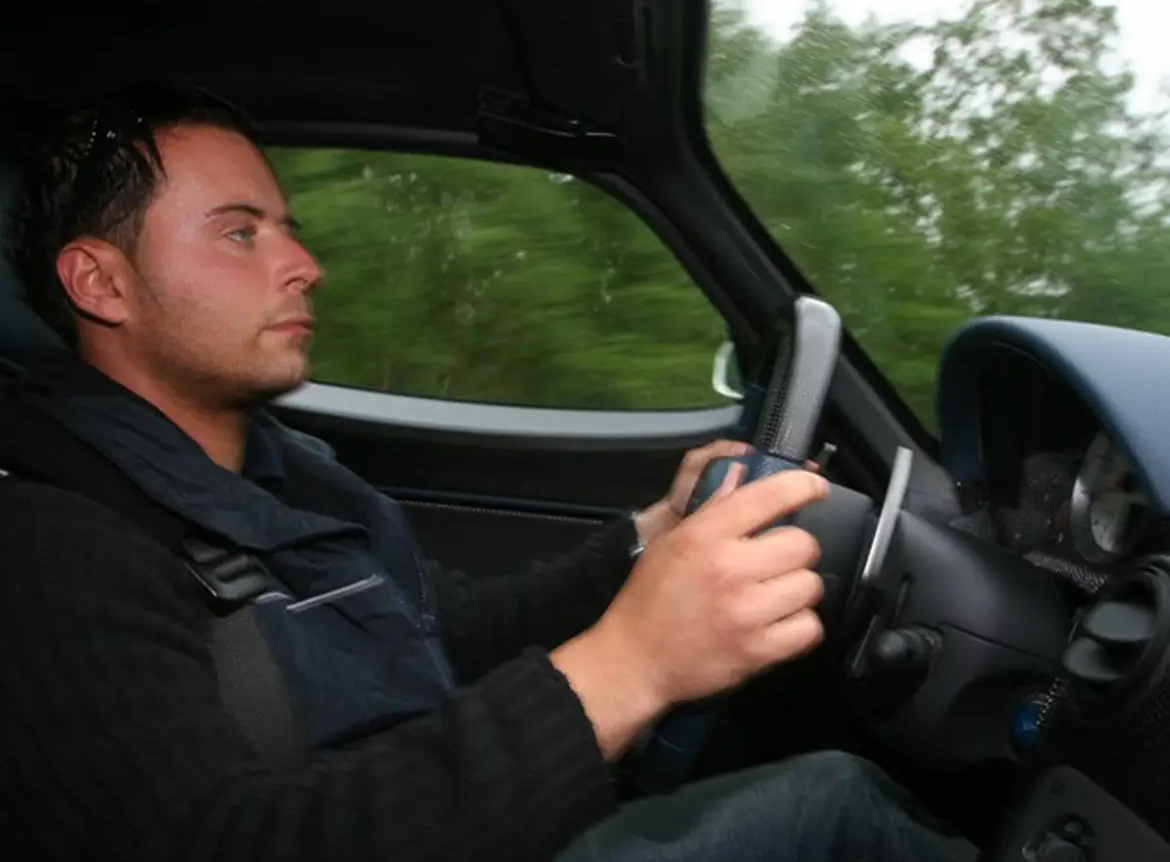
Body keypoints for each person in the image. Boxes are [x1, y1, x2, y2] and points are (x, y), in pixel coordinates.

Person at [0, 81, 978, 862]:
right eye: (240, 232)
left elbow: (445, 631)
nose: (304, 265)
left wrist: (651, 536)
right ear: (101, 283)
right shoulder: (50, 546)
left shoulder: (289, 470)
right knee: (830, 805)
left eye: (288, 227)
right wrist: (627, 671)